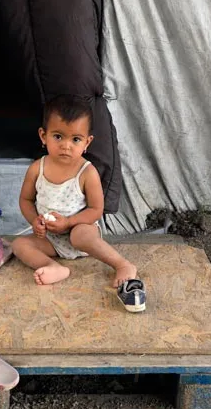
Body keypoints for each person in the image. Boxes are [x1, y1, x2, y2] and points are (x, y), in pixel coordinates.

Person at [11, 96, 146, 311]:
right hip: (51, 240)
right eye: (58, 136)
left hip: (81, 234)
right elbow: (26, 200)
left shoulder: (87, 172)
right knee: (19, 245)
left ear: (87, 143)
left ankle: (122, 264)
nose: (66, 146)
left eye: (75, 139)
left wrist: (69, 222)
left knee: (79, 234)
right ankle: (52, 267)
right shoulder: (38, 168)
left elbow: (96, 210)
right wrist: (34, 221)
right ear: (43, 136)